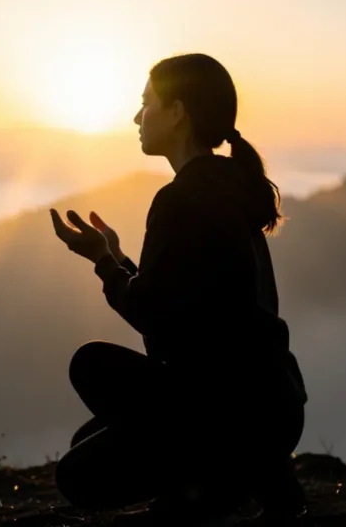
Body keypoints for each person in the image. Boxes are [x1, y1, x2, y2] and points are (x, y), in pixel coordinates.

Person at [49, 53, 309, 524]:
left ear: (177, 112)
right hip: (275, 406)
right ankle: (250, 477)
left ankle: (216, 492)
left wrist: (104, 262)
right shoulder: (230, 187)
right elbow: (178, 298)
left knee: (87, 379)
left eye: (146, 102)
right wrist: (119, 257)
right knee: (88, 440)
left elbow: (155, 320)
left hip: (226, 411)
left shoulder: (181, 198)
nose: (136, 116)